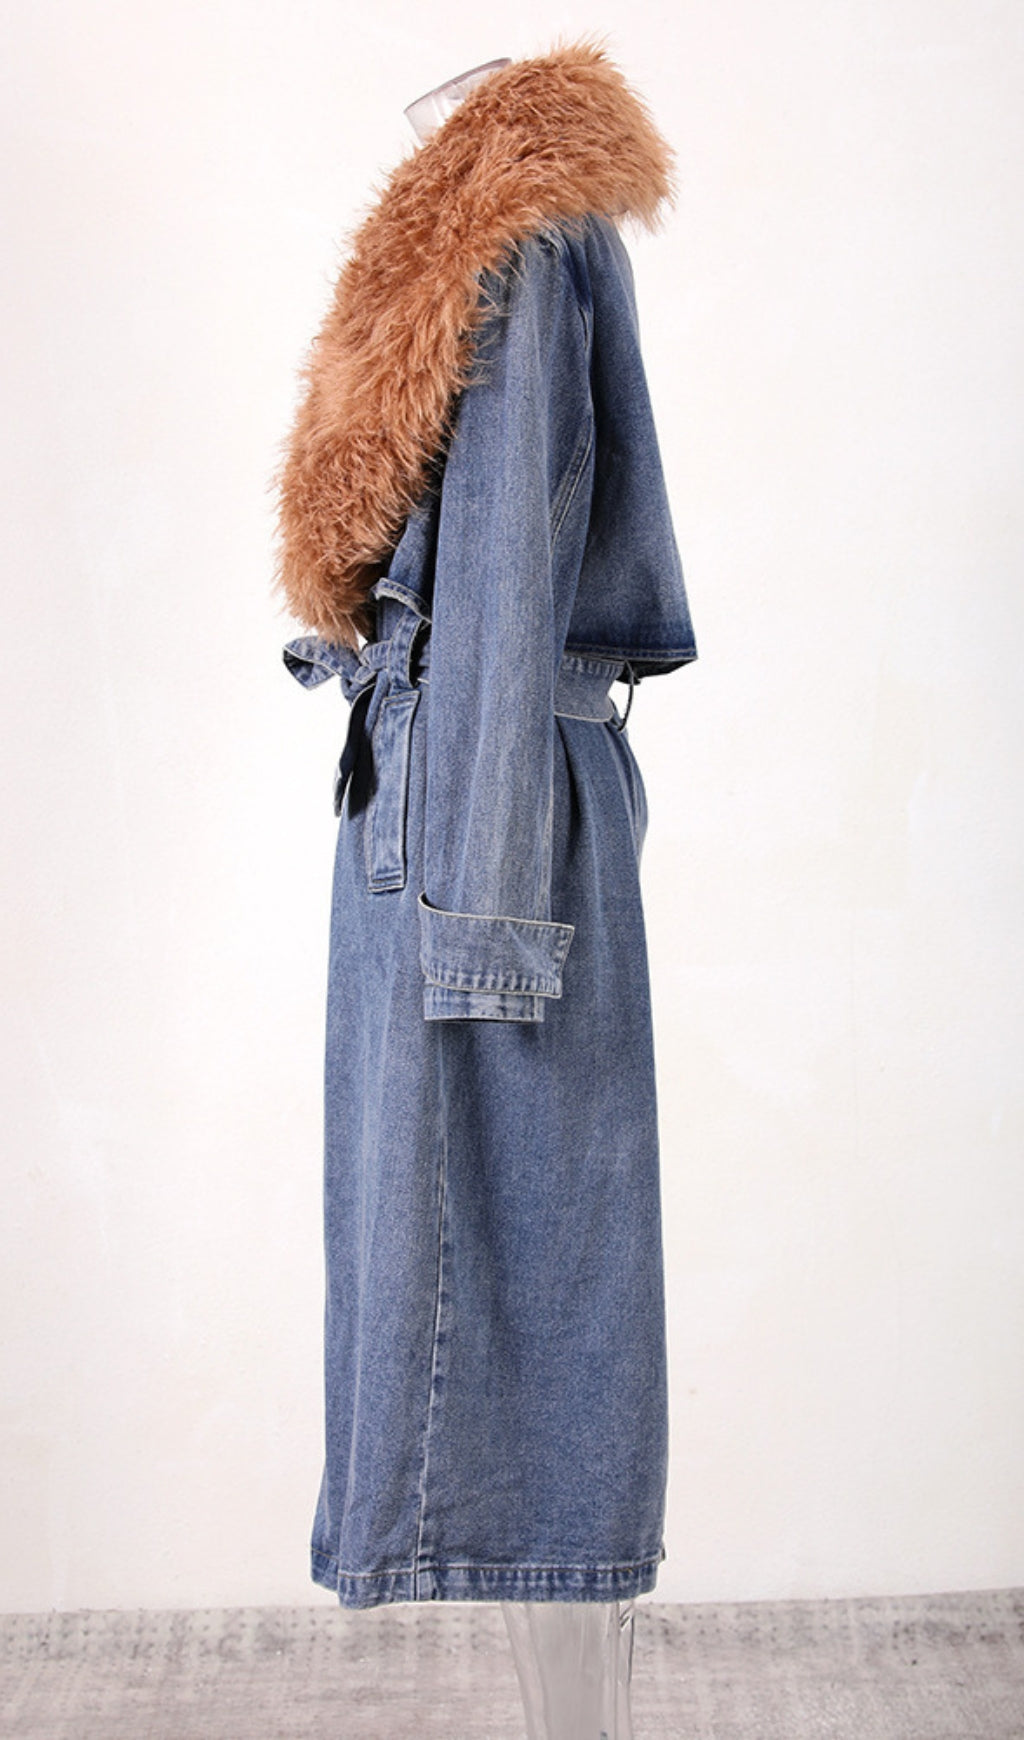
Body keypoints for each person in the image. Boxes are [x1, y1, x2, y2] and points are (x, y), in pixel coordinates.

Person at [275, 39, 697, 1740]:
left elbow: (513, 561)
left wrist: (486, 918)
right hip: (463, 787)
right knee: (512, 1275)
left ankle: (577, 1716)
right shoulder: (500, 225)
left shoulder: (508, 232)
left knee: (531, 1281)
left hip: (478, 809)